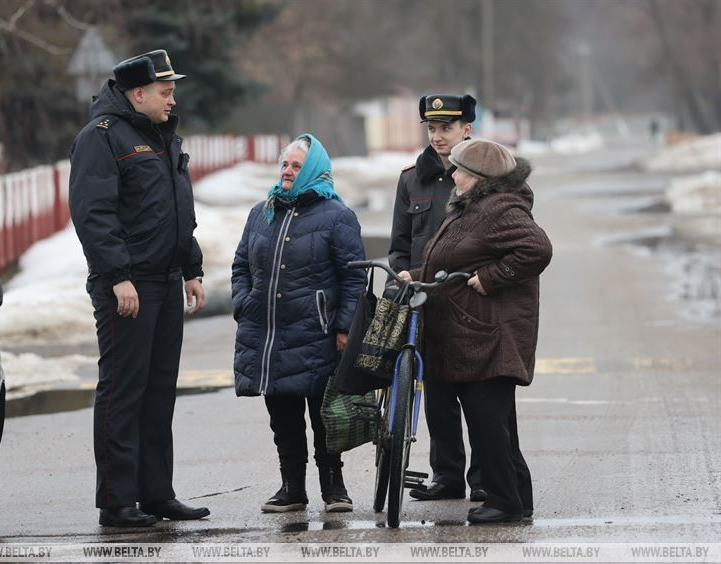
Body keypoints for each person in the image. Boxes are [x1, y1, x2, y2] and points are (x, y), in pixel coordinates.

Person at [68, 49, 210, 527]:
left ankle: (156, 494)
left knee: (158, 392)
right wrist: (117, 276)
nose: (173, 100)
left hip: (166, 279)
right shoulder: (102, 138)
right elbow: (93, 214)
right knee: (123, 391)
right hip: (127, 286)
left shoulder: (162, 136)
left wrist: (191, 268)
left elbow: (177, 209)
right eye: (166, 92)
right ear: (138, 93)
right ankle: (116, 501)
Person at [398, 138, 552, 523]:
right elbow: (450, 262)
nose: (453, 174)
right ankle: (517, 498)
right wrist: (414, 276)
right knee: (493, 424)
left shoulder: (499, 208)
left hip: (489, 333)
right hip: (471, 333)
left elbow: (538, 248)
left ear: (480, 177)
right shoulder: (470, 208)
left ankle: (505, 502)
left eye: (461, 169)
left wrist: (492, 277)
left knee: (488, 423)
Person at [231, 134, 367, 513]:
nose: (288, 172)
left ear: (314, 170)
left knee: (324, 417)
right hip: (269, 334)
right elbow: (241, 265)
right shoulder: (263, 212)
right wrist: (244, 303)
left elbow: (354, 278)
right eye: (285, 165)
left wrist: (343, 327)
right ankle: (292, 488)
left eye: (296, 166)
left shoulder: (337, 216)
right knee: (283, 417)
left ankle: (334, 489)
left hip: (317, 333)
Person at [389, 94, 487, 503]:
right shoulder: (412, 178)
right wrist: (401, 277)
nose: (438, 135)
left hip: (469, 299)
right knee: (439, 396)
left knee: (479, 397)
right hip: (425, 302)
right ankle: (446, 475)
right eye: (432, 128)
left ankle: (483, 478)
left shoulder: (483, 176)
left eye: (446, 127)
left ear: (467, 129)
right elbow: (397, 245)